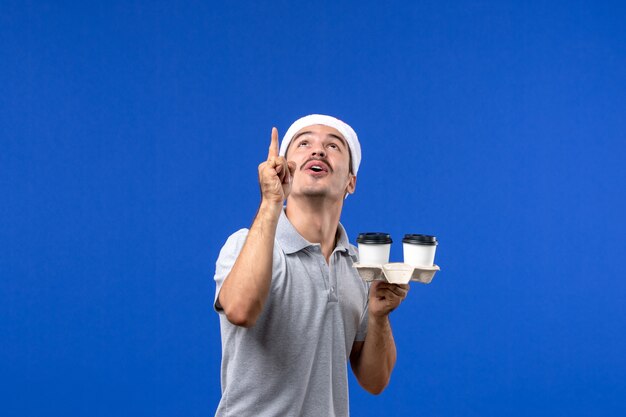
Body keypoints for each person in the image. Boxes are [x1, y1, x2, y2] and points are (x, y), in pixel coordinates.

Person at [213, 115, 410, 416]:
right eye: (303, 143)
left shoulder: (360, 265)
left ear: (351, 182)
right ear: (284, 168)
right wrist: (270, 202)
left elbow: (375, 381)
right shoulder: (245, 244)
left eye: (333, 146)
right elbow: (240, 311)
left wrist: (378, 316)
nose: (317, 151)